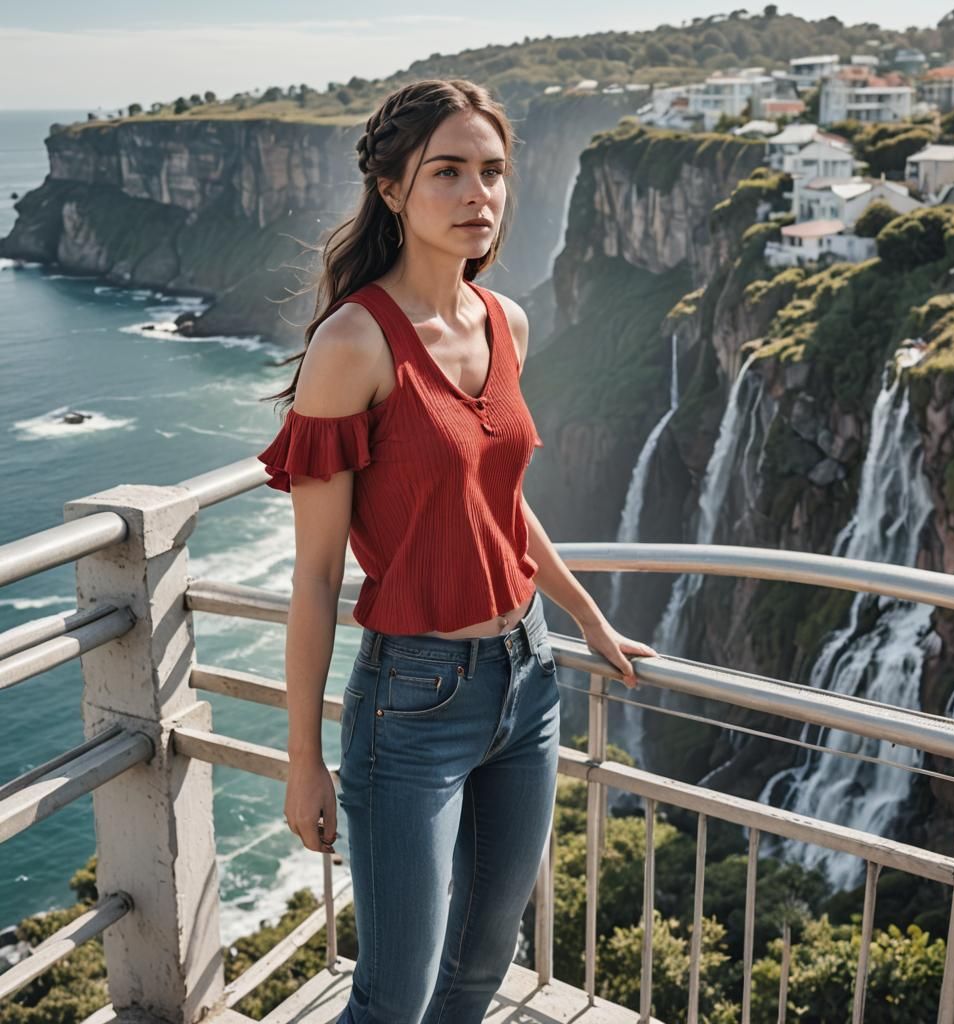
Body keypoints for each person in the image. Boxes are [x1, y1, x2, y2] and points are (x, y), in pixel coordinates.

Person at [256, 78, 658, 1024]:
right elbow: (314, 579)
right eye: (448, 172)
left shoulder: (505, 321)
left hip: (529, 680)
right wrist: (303, 758)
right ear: (392, 189)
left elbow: (501, 505)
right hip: (412, 703)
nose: (478, 194)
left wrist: (589, 619)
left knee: (482, 964)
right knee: (393, 995)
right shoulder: (354, 344)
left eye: (493, 172)